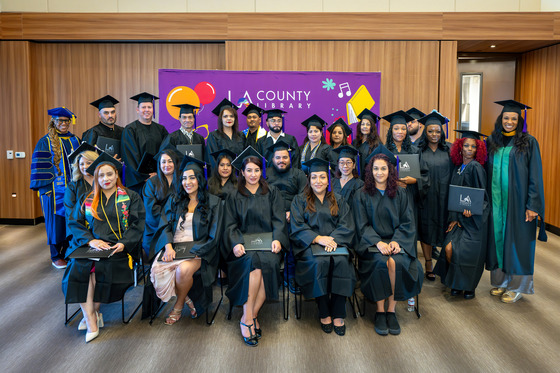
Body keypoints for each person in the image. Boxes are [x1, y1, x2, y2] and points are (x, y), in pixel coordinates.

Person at [62, 153, 145, 343]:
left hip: (118, 249)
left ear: (117, 175)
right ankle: (91, 318)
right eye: (101, 176)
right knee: (78, 267)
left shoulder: (131, 197)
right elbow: (74, 222)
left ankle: (92, 314)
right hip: (91, 246)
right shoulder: (87, 197)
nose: (105, 179)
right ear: (96, 178)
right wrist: (90, 240)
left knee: (99, 269)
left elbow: (137, 224)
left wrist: (124, 243)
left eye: (109, 174)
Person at [353, 146, 423, 336]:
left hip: (396, 241)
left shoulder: (400, 193)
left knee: (396, 261)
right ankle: (380, 311)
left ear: (390, 170)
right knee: (380, 263)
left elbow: (408, 222)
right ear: (370, 171)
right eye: (375, 168)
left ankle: (391, 310)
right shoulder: (361, 194)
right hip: (372, 244)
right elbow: (361, 225)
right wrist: (378, 242)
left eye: (383, 168)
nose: (379, 172)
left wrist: (397, 241)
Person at [223, 147, 289, 346]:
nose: (253, 174)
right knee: (253, 263)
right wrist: (235, 244)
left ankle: (247, 317)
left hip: (269, 245)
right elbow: (230, 224)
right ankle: (250, 318)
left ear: (262, 172)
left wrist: (278, 239)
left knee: (266, 263)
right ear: (242, 172)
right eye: (249, 170)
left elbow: (279, 220)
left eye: (257, 170)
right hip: (244, 247)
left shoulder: (272, 192)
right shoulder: (234, 196)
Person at [486, 100, 547, 303]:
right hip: (497, 203)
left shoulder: (529, 142)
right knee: (499, 241)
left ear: (519, 120)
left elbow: (535, 175)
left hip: (519, 203)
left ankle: (517, 286)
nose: (509, 122)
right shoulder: (492, 141)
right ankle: (501, 282)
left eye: (513, 118)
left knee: (518, 242)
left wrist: (533, 205)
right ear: (500, 119)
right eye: (506, 118)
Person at [150, 155, 223, 324]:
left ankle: (179, 304)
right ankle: (188, 297)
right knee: (156, 271)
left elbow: (215, 234)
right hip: (174, 248)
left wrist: (199, 251)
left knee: (182, 271)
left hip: (200, 251)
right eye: (184, 178)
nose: (187, 182)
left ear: (199, 179)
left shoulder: (213, 203)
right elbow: (163, 225)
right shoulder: (174, 200)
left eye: (192, 178)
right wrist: (168, 246)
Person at [290, 158, 356, 336]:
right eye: (314, 177)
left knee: (342, 263)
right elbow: (297, 226)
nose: (318, 181)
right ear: (308, 180)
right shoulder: (299, 200)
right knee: (319, 264)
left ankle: (338, 312)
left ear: (328, 180)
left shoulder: (339, 200)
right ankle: (324, 310)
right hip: (310, 247)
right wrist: (318, 238)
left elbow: (347, 224)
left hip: (336, 245)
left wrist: (332, 240)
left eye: (322, 177)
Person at [433, 130, 489, 299]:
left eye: (473, 146)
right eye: (466, 145)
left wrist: (472, 212)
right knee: (450, 249)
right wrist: (454, 219)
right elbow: (455, 197)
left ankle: (468, 286)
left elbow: (482, 198)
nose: (469, 149)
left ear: (478, 149)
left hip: (473, 221)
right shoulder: (458, 167)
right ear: (460, 147)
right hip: (458, 219)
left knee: (464, 253)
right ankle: (457, 283)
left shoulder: (476, 168)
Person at [30, 107, 81, 269]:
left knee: (71, 220)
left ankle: (68, 251)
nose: (64, 124)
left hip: (73, 190)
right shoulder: (45, 141)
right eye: (60, 121)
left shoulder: (75, 140)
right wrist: (46, 189)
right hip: (52, 191)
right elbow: (39, 167)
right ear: (54, 122)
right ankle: (55, 255)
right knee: (55, 222)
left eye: (66, 121)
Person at [265, 140, 307, 293]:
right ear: (272, 159)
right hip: (270, 216)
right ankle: (273, 275)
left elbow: (304, 196)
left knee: (292, 235)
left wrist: (292, 212)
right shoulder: (265, 173)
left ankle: (290, 275)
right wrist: (276, 214)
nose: (281, 161)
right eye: (278, 158)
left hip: (292, 216)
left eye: (284, 157)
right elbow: (261, 197)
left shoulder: (298, 173)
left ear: (290, 158)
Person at [416, 111, 453, 281]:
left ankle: (446, 264)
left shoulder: (449, 150)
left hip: (446, 197)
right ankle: (429, 263)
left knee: (445, 229)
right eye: (430, 131)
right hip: (425, 197)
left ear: (442, 132)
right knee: (426, 229)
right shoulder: (418, 150)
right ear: (425, 132)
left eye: (437, 131)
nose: (434, 135)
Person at [121, 92, 169, 195]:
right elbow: (130, 156)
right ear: (137, 109)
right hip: (138, 183)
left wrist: (158, 173)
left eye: (149, 107)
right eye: (143, 107)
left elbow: (165, 152)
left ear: (153, 109)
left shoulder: (161, 130)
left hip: (158, 179)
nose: (146, 110)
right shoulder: (130, 130)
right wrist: (144, 176)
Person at [142, 146, 182, 259]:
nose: (166, 165)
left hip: (177, 225)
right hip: (155, 228)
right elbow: (151, 210)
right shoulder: (151, 183)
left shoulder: (182, 181)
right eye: (163, 162)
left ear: (175, 163)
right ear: (159, 164)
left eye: (170, 161)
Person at [206, 98, 245, 172]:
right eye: (225, 116)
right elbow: (212, 160)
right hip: (222, 175)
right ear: (221, 119)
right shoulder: (214, 136)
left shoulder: (241, 135)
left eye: (231, 116)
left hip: (239, 175)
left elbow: (244, 157)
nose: (229, 119)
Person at [351, 108, 382, 180]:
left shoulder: (376, 143)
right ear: (360, 126)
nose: (365, 126)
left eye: (368, 124)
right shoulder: (355, 142)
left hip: (369, 179)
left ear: (372, 127)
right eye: (363, 124)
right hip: (355, 179)